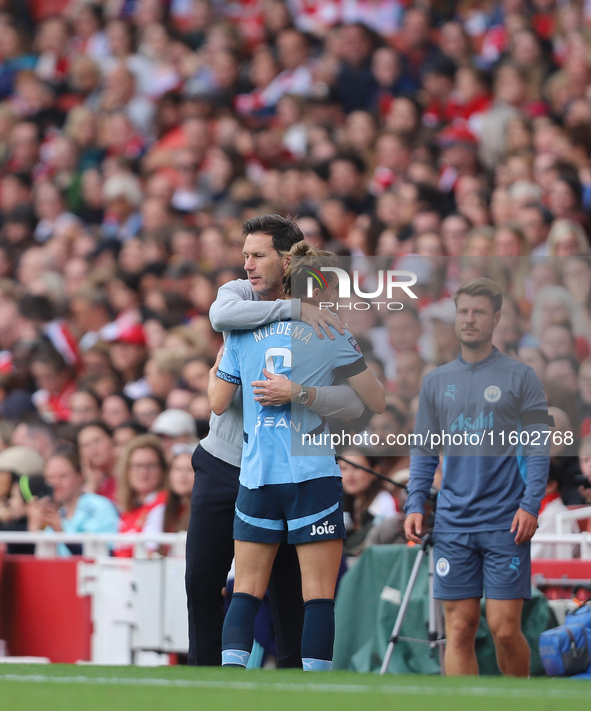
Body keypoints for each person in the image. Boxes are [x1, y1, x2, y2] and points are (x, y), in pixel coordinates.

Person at [185, 214, 366, 668]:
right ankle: (207, 680)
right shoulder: (239, 294)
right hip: (225, 460)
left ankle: (292, 683)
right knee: (201, 579)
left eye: (258, 255)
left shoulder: (322, 316)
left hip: (284, 467)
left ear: (287, 262)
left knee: (289, 590)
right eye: (244, 254)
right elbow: (219, 315)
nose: (247, 265)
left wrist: (305, 393)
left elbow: (356, 400)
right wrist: (292, 310)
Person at [405, 276, 551, 677]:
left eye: (479, 312)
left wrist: (530, 504)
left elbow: (539, 447)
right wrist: (415, 503)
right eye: (463, 311)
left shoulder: (521, 377)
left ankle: (519, 706)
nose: (469, 320)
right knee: (459, 628)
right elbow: (424, 451)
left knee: (504, 629)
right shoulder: (436, 381)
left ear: (496, 318)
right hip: (453, 522)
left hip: (507, 521)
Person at [27, 443, 119, 556]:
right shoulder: (56, 515)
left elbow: (101, 555)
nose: (56, 483)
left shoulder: (98, 506)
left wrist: (61, 533)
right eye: (51, 477)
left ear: (79, 476)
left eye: (63, 476)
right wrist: (35, 532)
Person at [114, 434, 168, 557]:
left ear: (162, 469)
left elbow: (151, 554)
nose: (143, 472)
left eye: (150, 465)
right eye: (137, 466)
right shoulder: (128, 509)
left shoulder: (163, 503)